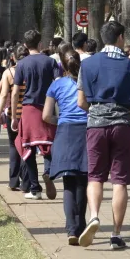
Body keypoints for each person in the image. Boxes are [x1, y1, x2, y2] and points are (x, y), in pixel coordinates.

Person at [76, 21, 130, 250]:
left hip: (95, 125)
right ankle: (116, 233)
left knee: (95, 176)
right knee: (120, 181)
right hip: (123, 125)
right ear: (120, 38)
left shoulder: (87, 65)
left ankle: (94, 216)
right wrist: (125, 115)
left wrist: (96, 113)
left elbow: (80, 102)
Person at [43, 49, 89, 245]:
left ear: (62, 65)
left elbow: (46, 115)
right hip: (87, 131)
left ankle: (71, 228)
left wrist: (60, 119)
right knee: (83, 181)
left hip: (65, 132)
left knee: (68, 182)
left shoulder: (56, 85)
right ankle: (81, 226)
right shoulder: (88, 82)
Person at [12, 30, 59, 201]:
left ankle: (35, 187)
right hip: (48, 107)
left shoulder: (22, 64)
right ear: (40, 44)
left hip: (28, 109)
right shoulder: (51, 62)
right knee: (48, 144)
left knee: (27, 147)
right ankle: (48, 172)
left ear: (25, 45)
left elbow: (16, 91)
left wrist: (14, 116)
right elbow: (58, 84)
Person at [0, 46, 27, 191]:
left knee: (13, 146)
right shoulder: (31, 70)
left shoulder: (8, 72)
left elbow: (2, 95)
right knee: (27, 147)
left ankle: (13, 181)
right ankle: (27, 181)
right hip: (29, 114)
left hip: (13, 115)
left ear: (13, 57)